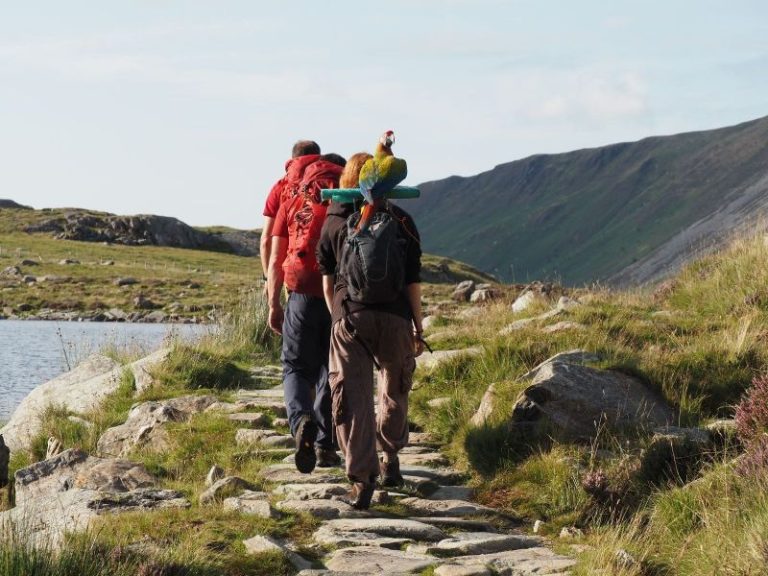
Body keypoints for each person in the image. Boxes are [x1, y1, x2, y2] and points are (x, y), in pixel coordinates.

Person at [316, 152, 425, 509]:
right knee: (394, 390)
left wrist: (337, 316)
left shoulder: (336, 224)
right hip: (395, 319)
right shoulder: (403, 221)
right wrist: (418, 327)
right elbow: (412, 281)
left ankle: (362, 481)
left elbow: (328, 281)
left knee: (353, 399)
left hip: (350, 318)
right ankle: (390, 459)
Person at [268, 153, 346, 473]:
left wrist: (274, 303)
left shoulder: (292, 197)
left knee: (296, 367)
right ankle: (327, 445)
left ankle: (301, 421)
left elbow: (275, 258)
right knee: (332, 366)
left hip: (299, 291)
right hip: (339, 292)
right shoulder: (348, 199)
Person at [260, 140, 321, 283]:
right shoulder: (329, 183)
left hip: (293, 269)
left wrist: (268, 279)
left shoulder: (280, 187)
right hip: (326, 268)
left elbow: (266, 240)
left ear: (293, 159)